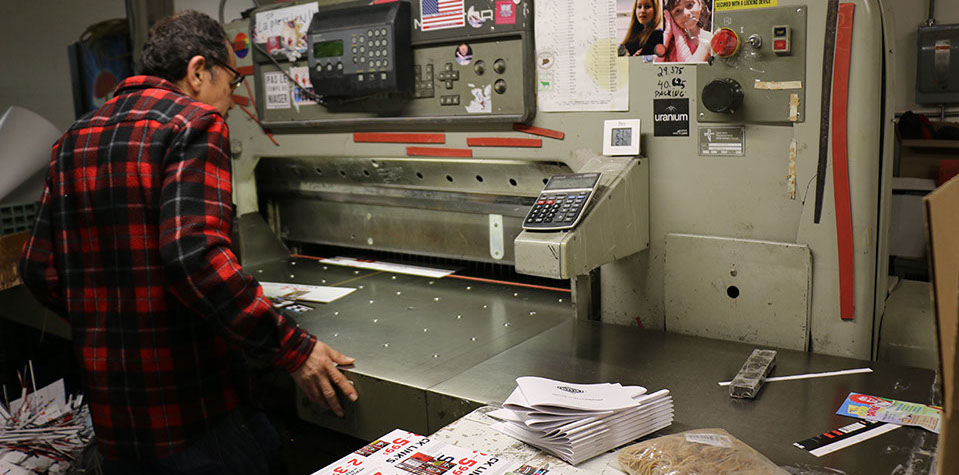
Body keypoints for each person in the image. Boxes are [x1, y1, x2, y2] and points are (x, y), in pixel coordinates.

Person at [18, 10, 357, 474]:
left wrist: (110, 319)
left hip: (117, 425)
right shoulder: (194, 123)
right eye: (232, 81)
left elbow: (37, 268)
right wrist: (294, 349)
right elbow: (193, 256)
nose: (233, 101)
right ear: (198, 71)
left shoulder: (73, 138)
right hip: (194, 416)